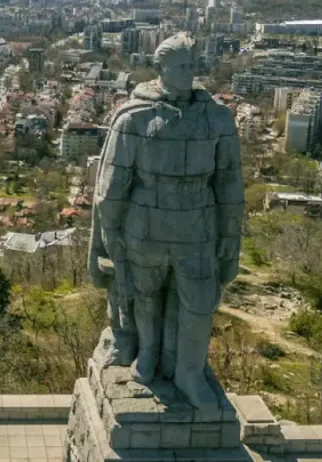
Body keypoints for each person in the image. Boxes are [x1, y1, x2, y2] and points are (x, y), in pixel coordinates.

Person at [88, 32, 244, 409]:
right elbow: (113, 183)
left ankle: (188, 372)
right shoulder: (135, 117)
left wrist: (229, 232)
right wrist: (109, 232)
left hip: (198, 225)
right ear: (161, 68)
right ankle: (148, 356)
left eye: (192, 65)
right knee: (145, 295)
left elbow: (228, 181)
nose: (188, 73)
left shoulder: (217, 119)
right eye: (180, 66)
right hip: (145, 226)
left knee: (197, 303)